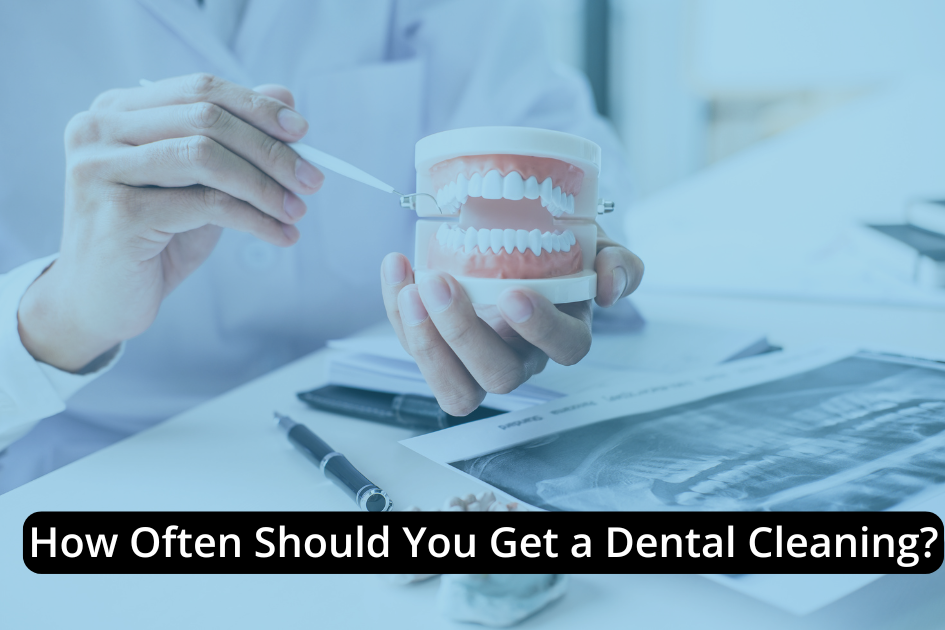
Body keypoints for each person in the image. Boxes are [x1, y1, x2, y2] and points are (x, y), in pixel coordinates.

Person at [0, 0, 643, 493]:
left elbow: (545, 131)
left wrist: (561, 257)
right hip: (93, 489)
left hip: (398, 446)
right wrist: (58, 319)